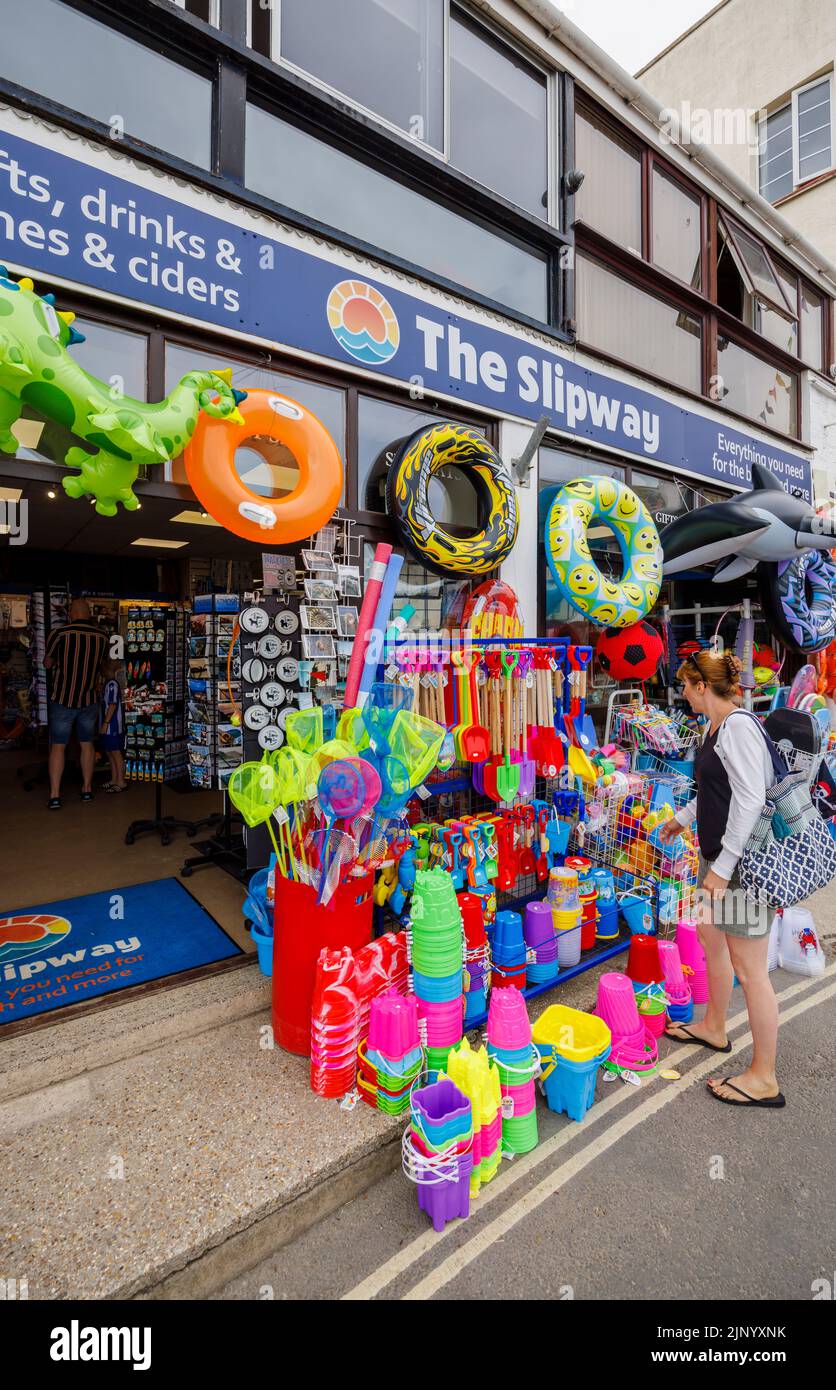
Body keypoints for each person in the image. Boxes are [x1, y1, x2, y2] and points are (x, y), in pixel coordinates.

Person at [658, 650, 786, 1109]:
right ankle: (714, 1027)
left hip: (742, 868)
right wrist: (683, 818)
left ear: (700, 686)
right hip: (720, 860)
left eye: (685, 687)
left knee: (752, 972)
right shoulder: (714, 727)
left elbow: (750, 800)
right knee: (712, 937)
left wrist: (721, 868)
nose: (683, 694)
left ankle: (764, 1077)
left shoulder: (738, 728)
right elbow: (718, 789)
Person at [43, 598, 107, 809]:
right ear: (89, 614)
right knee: (87, 744)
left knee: (58, 746)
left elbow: (48, 663)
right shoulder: (102, 636)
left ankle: (54, 795)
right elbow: (104, 669)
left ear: (71, 614)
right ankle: (87, 789)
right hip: (89, 700)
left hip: (63, 698)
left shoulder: (59, 634)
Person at [99, 656, 127, 794]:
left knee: (115, 752)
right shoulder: (109, 684)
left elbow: (112, 705)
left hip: (113, 725)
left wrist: (105, 723)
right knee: (110, 752)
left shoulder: (112, 685)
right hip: (109, 724)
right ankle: (114, 778)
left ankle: (121, 781)